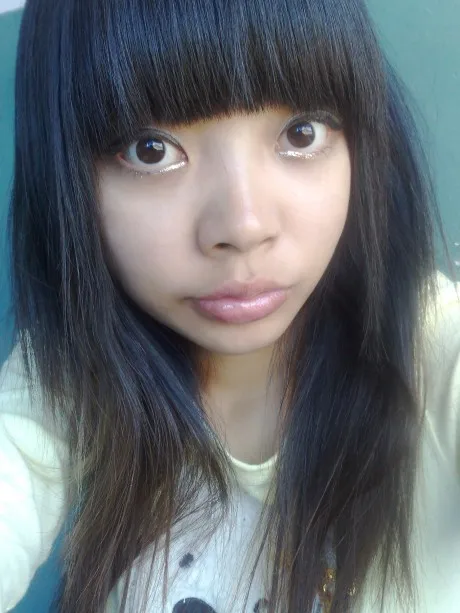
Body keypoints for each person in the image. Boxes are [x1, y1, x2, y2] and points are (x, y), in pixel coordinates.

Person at [0, 0, 459, 611]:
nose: (243, 226)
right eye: (150, 150)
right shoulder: (73, 359)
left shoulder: (433, 346)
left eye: (301, 133)